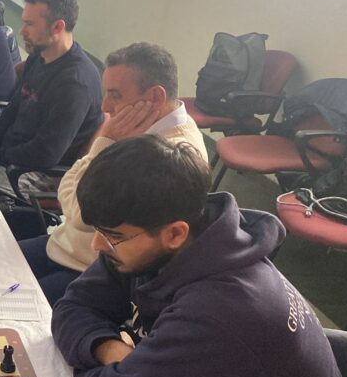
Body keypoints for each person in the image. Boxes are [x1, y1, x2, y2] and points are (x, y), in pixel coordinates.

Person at [52, 135, 345, 377]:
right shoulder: (147, 237)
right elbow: (72, 307)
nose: (98, 245)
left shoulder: (220, 313)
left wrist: (124, 370)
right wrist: (109, 348)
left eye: (111, 236)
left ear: (175, 234)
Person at [19, 43, 209, 304]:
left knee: (0, 309)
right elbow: (70, 182)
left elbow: (82, 214)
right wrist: (95, 157)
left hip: (89, 270)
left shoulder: (165, 158)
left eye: (115, 95)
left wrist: (105, 142)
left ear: (155, 97)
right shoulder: (141, 129)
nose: (105, 107)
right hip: (63, 244)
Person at [0, 0, 103, 197]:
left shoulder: (75, 82)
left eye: (30, 24)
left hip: (37, 173)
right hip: (10, 157)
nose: (22, 30)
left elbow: (46, 153)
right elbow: (13, 110)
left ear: (57, 27)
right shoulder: (39, 57)